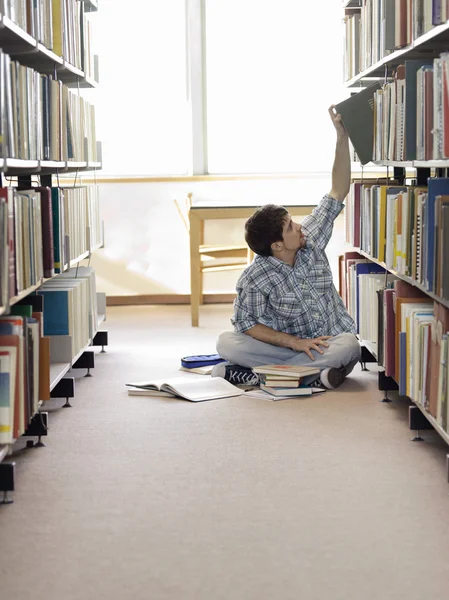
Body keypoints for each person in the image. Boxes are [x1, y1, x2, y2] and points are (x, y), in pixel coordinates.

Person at [212, 106, 361, 389]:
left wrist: (342, 136)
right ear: (277, 245)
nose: (300, 227)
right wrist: (295, 343)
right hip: (289, 347)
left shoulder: (310, 240)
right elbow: (246, 324)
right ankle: (314, 376)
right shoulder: (255, 277)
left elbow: (338, 191)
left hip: (327, 344)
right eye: (291, 226)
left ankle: (262, 375)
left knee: (349, 346)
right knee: (226, 342)